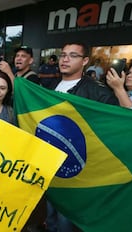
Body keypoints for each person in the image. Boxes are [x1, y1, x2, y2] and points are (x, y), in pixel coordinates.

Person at [45, 41, 118, 232]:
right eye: (63, 55)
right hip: (50, 164)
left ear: (85, 60)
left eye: (72, 55)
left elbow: (111, 128)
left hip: (77, 170)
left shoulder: (98, 92)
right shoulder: (51, 86)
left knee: (66, 221)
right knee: (50, 215)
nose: (65, 59)